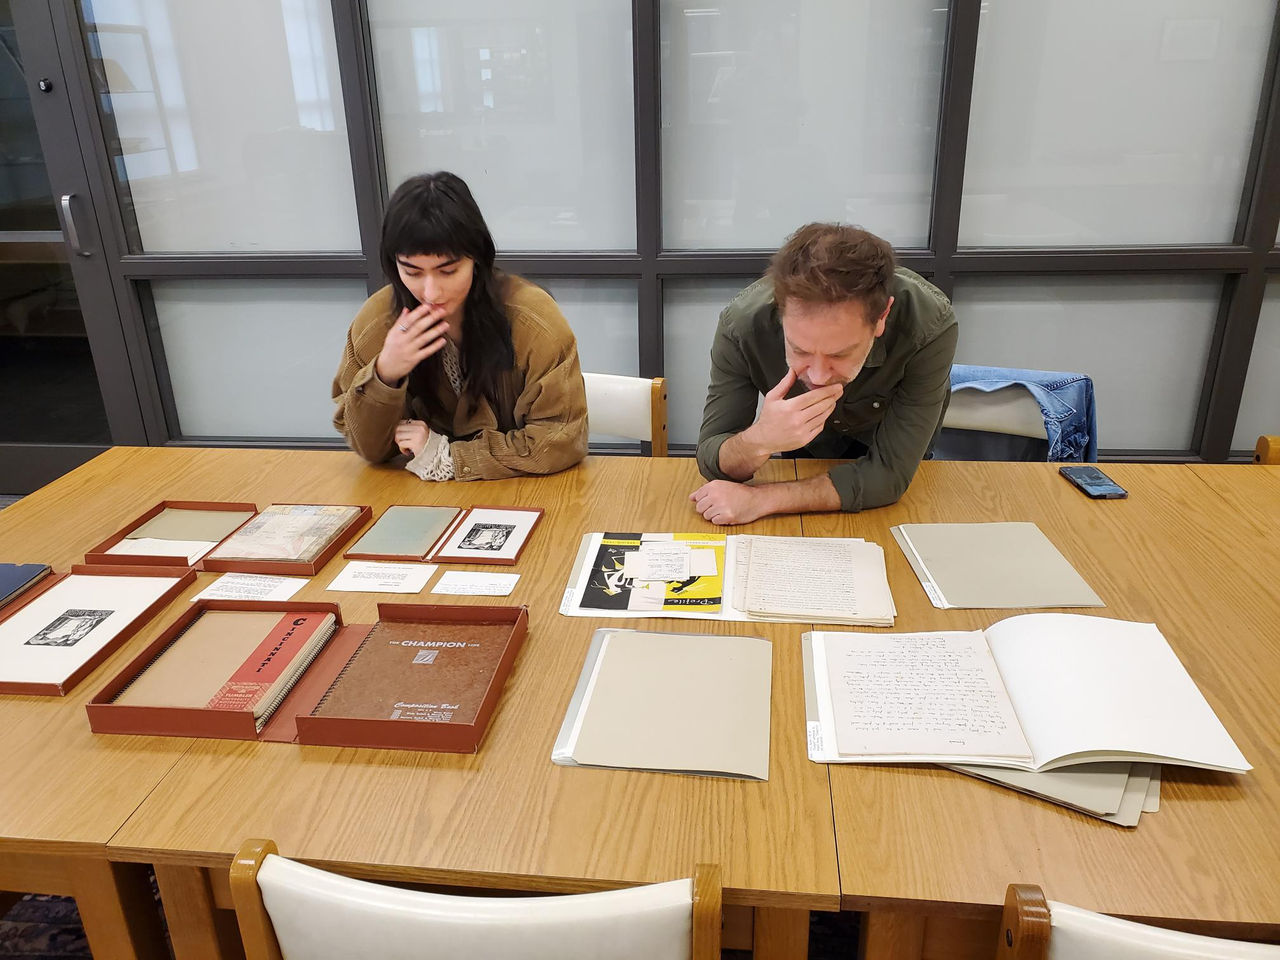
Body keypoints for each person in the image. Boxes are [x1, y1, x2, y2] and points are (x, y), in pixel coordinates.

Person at [690, 222, 957, 524]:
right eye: (800, 350)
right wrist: (760, 439)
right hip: (804, 456)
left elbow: (889, 475)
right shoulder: (741, 326)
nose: (817, 376)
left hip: (887, 463)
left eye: (839, 354)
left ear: (881, 318)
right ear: (780, 311)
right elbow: (712, 459)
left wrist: (762, 498)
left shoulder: (929, 324)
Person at [332, 172, 588, 480]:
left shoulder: (533, 319)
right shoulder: (377, 322)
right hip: (421, 500)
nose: (430, 292)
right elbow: (369, 450)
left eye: (448, 270)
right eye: (412, 272)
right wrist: (385, 374)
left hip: (522, 495)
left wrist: (447, 456)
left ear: (477, 258)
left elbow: (560, 440)